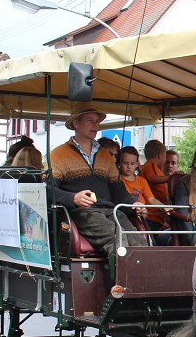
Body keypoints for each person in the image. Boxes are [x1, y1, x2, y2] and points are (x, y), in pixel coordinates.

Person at [49, 103, 146, 258]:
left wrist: (133, 203)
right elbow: (48, 190)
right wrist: (73, 198)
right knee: (118, 243)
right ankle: (120, 282)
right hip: (83, 212)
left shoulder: (104, 156)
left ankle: (143, 281)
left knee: (140, 243)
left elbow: (118, 191)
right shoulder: (58, 155)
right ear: (76, 123)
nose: (95, 124)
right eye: (90, 120)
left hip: (110, 211)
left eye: (96, 121)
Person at [118, 146, 171, 245]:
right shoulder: (117, 181)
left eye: (132, 163)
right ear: (120, 163)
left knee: (150, 241)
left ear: (137, 164)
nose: (129, 167)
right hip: (125, 216)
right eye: (125, 163)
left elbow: (151, 199)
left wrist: (163, 207)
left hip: (142, 217)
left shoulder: (141, 181)